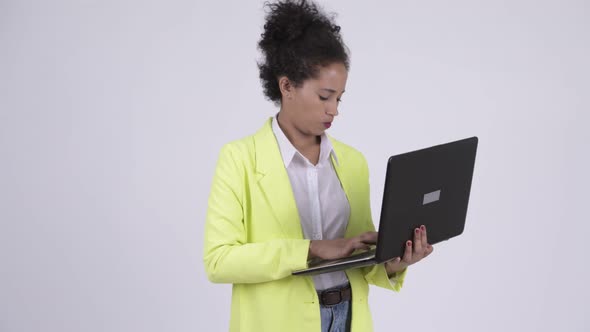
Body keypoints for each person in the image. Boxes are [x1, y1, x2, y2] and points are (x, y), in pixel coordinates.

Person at [203, 1, 434, 331]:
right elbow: (219, 261)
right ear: (287, 86)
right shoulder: (239, 159)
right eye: (325, 96)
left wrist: (394, 262)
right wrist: (311, 249)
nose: (334, 110)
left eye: (339, 98)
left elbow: (361, 259)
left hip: (349, 318)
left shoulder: (352, 162)